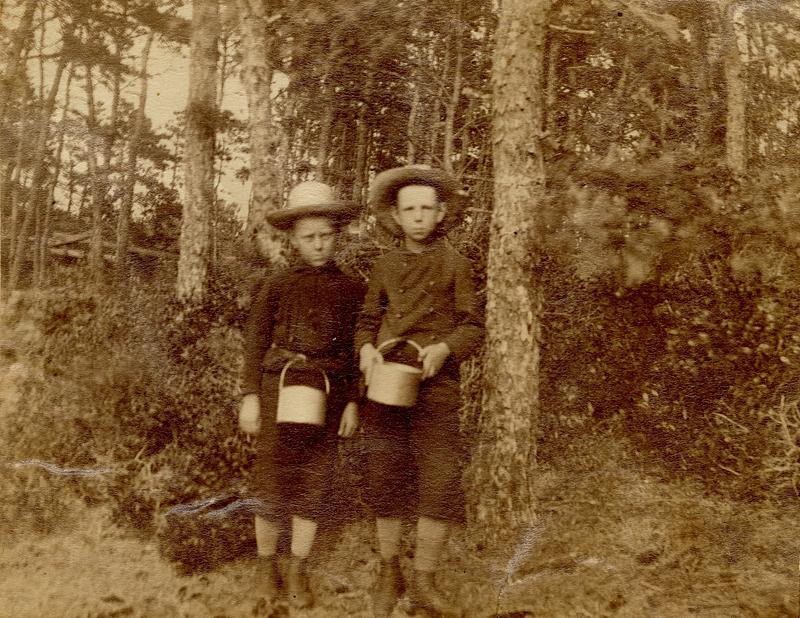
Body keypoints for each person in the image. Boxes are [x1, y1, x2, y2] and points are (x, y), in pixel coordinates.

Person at [355, 165, 483, 617]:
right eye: (409, 209)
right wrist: (367, 350)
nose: (418, 217)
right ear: (395, 215)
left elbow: (472, 325)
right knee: (384, 473)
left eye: (427, 208)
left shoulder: (456, 265)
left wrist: (445, 349)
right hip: (387, 381)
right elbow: (368, 319)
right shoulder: (384, 265)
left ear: (442, 212)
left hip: (436, 386)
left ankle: (426, 582)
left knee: (441, 477)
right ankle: (390, 572)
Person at [238, 180, 364, 609]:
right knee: (271, 476)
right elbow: (254, 342)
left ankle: (297, 570)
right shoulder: (276, 285)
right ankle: (265, 568)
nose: (319, 245)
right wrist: (250, 396)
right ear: (293, 238)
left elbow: (354, 350)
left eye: (326, 236)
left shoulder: (352, 288)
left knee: (315, 478)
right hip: (279, 387)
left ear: (337, 235)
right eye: (309, 237)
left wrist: (352, 402)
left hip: (329, 389)